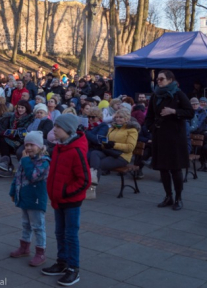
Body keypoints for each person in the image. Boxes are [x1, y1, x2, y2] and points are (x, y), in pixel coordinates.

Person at [41, 114, 89, 286]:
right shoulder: (60, 148)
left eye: (58, 127)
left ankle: (73, 268)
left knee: (70, 235)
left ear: (68, 130)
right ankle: (62, 262)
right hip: (58, 200)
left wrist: (63, 192)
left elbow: (84, 180)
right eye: (54, 126)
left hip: (70, 201)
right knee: (60, 233)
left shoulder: (75, 151)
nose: (54, 130)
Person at [144, 70, 194, 211]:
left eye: (161, 79)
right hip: (160, 136)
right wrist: (152, 127)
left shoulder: (178, 94)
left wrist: (174, 112)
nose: (158, 81)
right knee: (163, 169)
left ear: (170, 80)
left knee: (175, 169)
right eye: (158, 79)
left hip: (175, 137)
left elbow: (190, 112)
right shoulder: (155, 95)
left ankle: (178, 198)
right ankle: (168, 196)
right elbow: (149, 116)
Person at [9, 131, 50, 267]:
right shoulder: (25, 159)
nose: (28, 148)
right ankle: (24, 247)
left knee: (38, 226)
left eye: (32, 145)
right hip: (24, 196)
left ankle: (40, 252)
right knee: (25, 223)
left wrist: (25, 160)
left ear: (39, 146)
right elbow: (18, 176)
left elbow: (33, 176)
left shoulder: (44, 162)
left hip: (36, 198)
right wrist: (13, 190)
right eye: (26, 145)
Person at [89, 110, 137, 184]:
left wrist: (114, 145)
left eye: (121, 117)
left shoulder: (132, 130)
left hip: (121, 156)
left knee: (97, 165)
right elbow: (105, 141)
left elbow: (130, 147)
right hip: (109, 152)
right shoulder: (112, 128)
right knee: (94, 153)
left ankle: (92, 187)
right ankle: (90, 184)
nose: (118, 119)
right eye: (116, 117)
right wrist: (104, 143)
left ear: (127, 118)